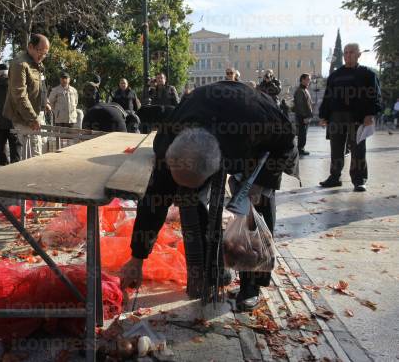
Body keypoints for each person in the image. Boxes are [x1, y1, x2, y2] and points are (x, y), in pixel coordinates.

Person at [119, 81, 297, 311]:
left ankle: (251, 284)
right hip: (211, 132)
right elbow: (154, 202)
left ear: (216, 165)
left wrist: (260, 184)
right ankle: (208, 272)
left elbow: (287, 141)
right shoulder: (167, 140)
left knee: (257, 209)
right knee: (191, 204)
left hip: (258, 147)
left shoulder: (257, 119)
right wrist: (137, 257)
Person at [319, 43, 382, 192]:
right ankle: (334, 177)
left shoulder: (368, 74)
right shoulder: (335, 75)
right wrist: (323, 116)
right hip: (336, 117)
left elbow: (375, 96)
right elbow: (327, 97)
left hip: (357, 117)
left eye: (351, 52)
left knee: (358, 149)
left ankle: (359, 180)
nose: (348, 55)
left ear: (359, 54)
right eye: (346, 53)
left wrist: (370, 114)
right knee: (336, 149)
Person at [4, 34, 49, 158]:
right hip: (25, 118)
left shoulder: (37, 62)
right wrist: (32, 118)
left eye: (46, 53)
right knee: (33, 156)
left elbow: (39, 86)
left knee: (41, 147)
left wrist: (45, 102)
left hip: (37, 113)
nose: (43, 56)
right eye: (41, 52)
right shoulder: (20, 64)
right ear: (30, 47)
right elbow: (19, 95)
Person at [293, 74, 313, 156]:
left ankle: (301, 148)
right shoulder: (300, 91)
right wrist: (304, 117)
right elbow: (300, 105)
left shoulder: (304, 90)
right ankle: (300, 149)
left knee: (303, 133)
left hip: (305, 116)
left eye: (309, 79)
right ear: (302, 80)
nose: (309, 81)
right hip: (302, 117)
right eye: (308, 79)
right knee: (302, 133)